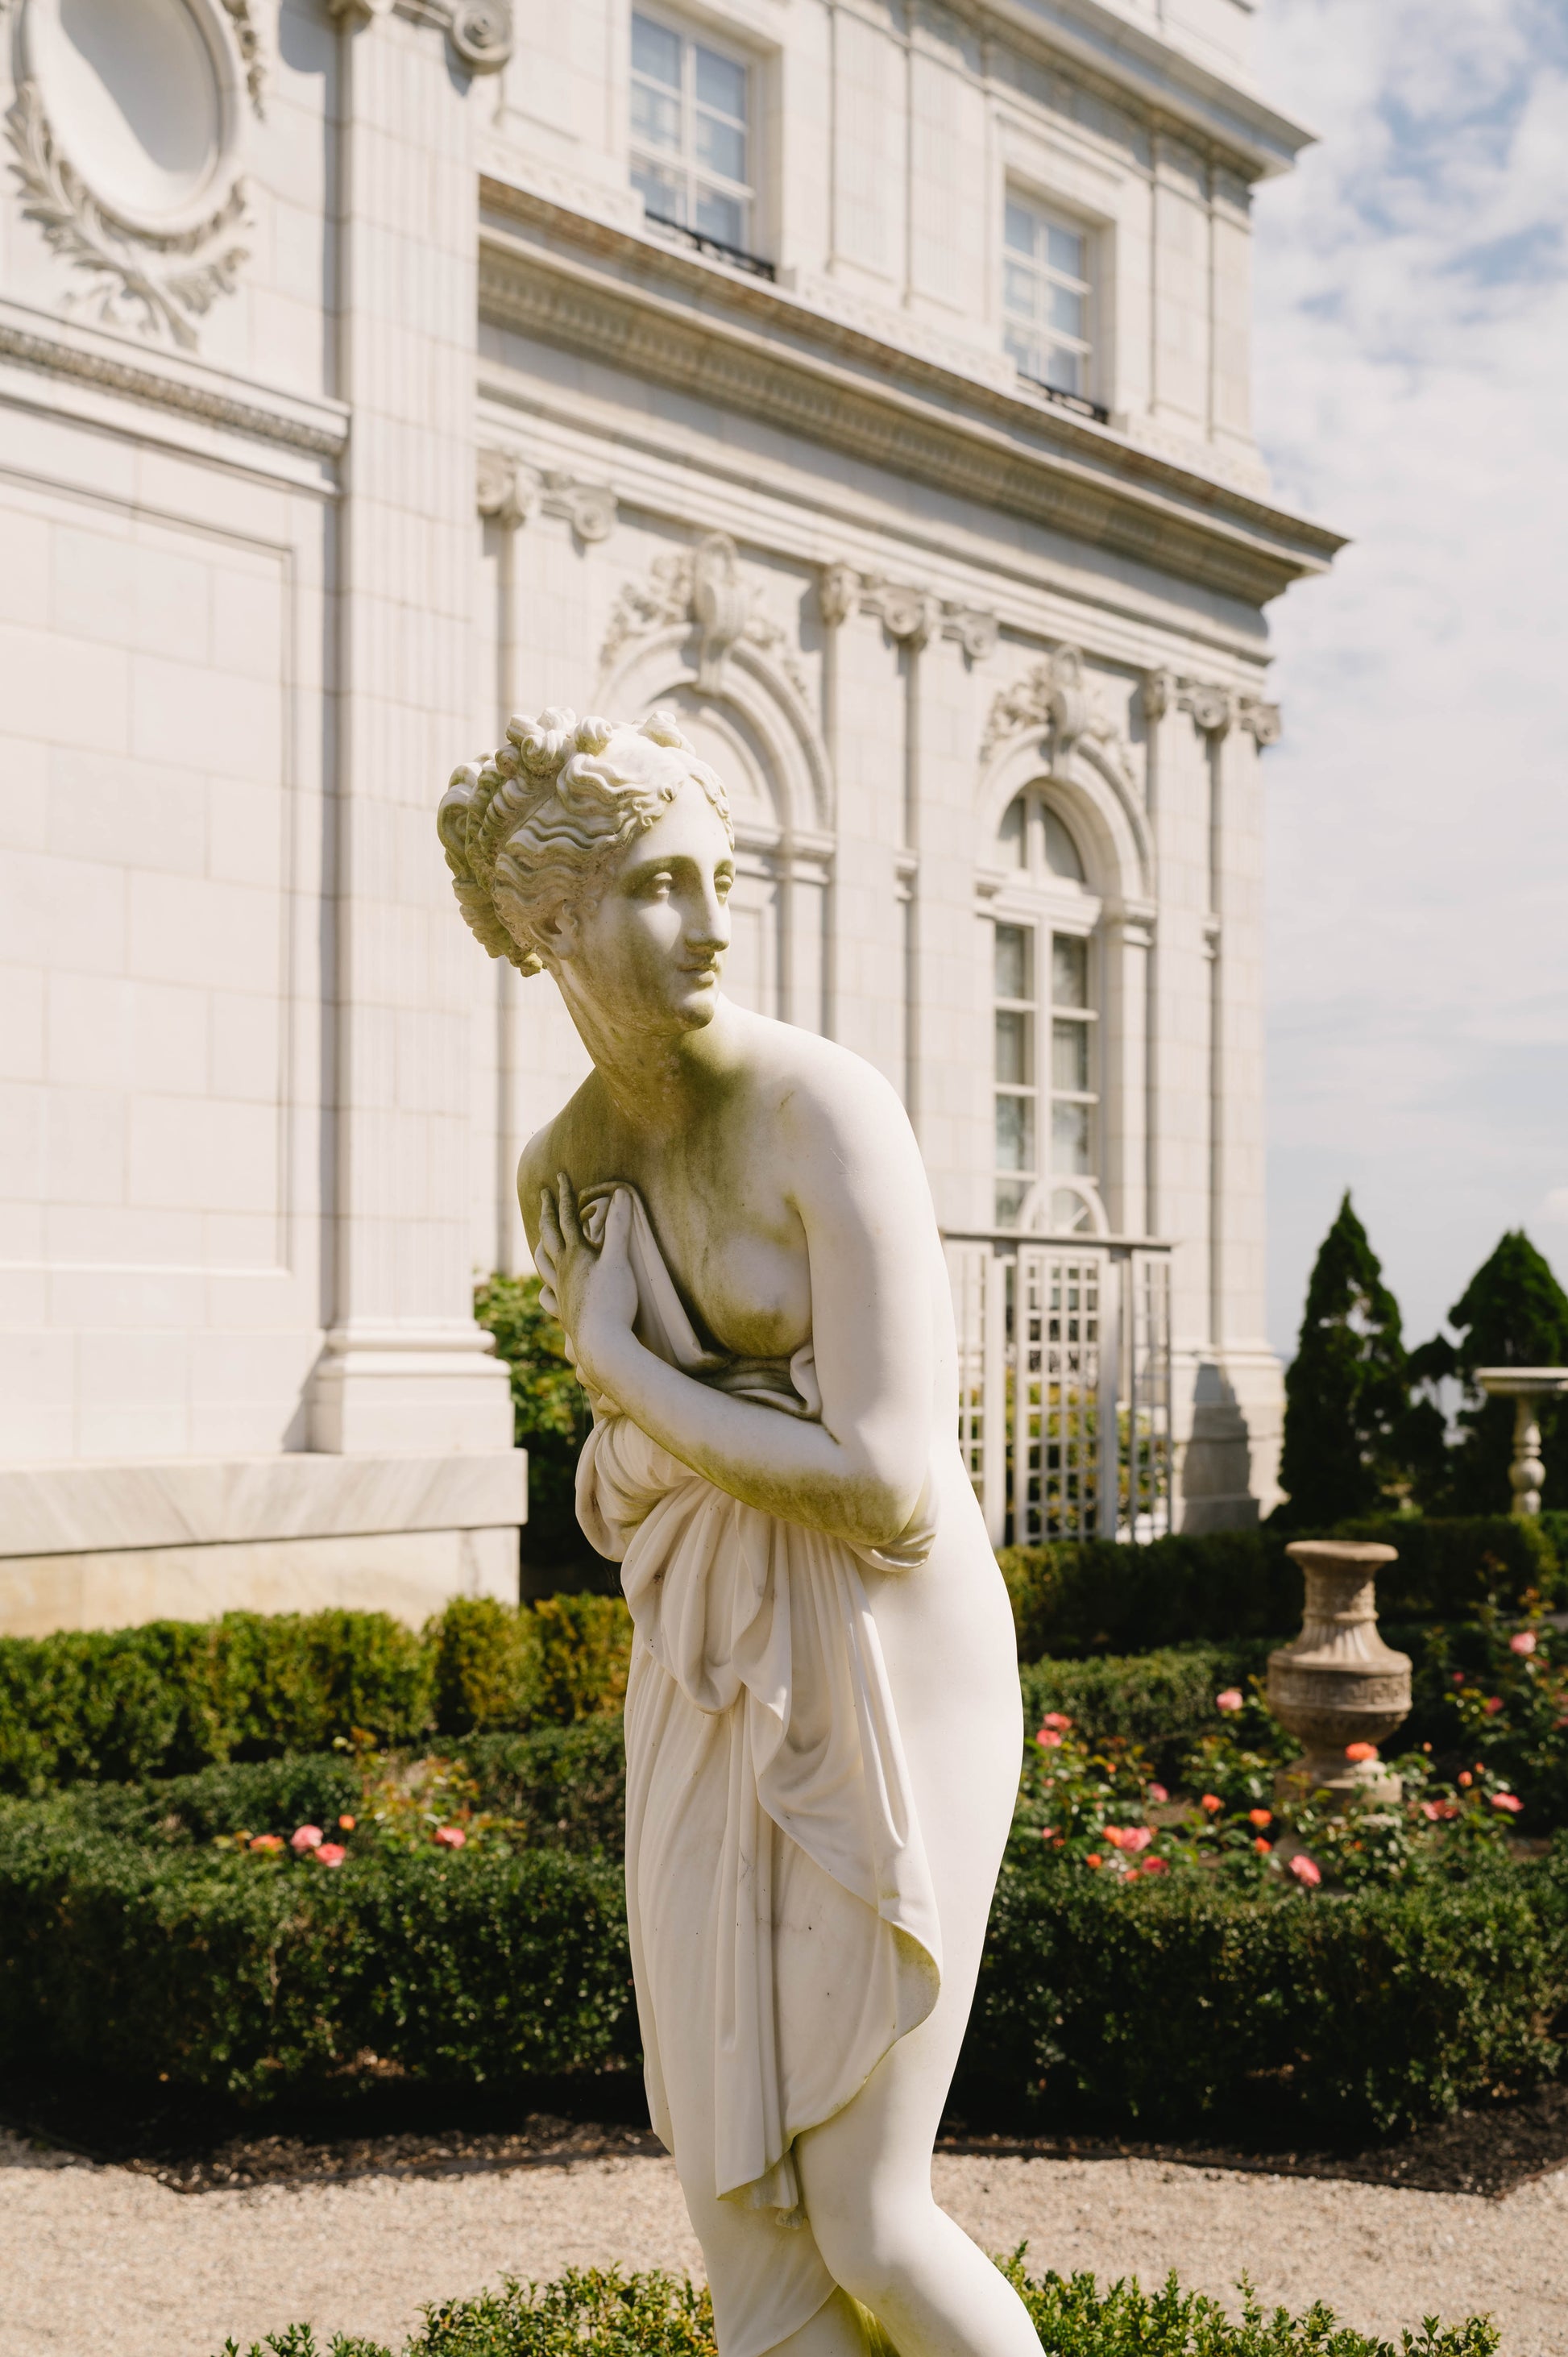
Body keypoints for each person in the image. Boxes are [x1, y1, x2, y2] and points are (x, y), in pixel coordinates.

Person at [438, 709, 1035, 2357]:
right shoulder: (561, 1168)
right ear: (548, 919)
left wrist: (627, 1370)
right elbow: (627, 1483)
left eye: (724, 878)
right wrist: (638, 1428)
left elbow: (890, 1482)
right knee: (746, 2225)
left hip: (889, 1653)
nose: (712, 924)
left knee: (867, 2210)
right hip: (705, 1659)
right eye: (662, 886)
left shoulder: (819, 1107)